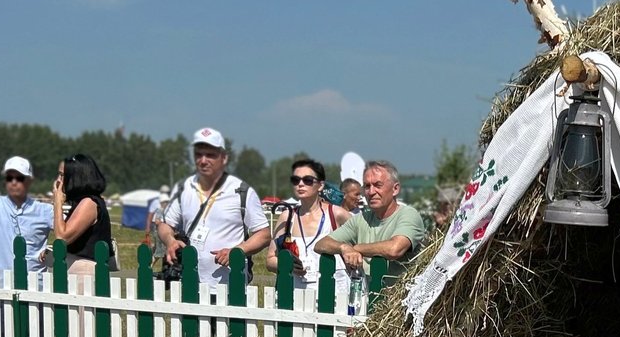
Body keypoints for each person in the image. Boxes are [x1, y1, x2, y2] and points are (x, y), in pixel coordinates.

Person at [157, 128, 270, 285]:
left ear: (223, 158)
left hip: (230, 286)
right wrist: (170, 241)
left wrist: (238, 251)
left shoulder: (242, 191)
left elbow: (264, 234)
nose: (203, 160)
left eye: (210, 155)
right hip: (189, 284)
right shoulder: (184, 188)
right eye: (198, 154)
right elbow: (165, 224)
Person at [316, 160, 427, 307]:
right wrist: (344, 247)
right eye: (367, 186)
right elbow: (321, 244)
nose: (371, 191)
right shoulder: (362, 219)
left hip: (402, 306)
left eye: (378, 185)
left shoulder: (408, 215)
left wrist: (356, 248)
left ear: (395, 189)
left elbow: (395, 249)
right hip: (369, 304)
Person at [266, 158, 350, 291]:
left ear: (321, 185)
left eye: (307, 180)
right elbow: (270, 260)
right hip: (294, 295)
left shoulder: (336, 214)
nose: (300, 184)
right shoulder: (287, 217)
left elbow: (360, 243)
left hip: (333, 296)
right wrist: (287, 265)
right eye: (296, 180)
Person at [51, 154, 116, 278]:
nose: (58, 180)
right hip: (75, 268)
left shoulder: (89, 203)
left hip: (84, 272)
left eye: (62, 175)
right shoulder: (81, 202)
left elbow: (62, 237)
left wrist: (58, 202)